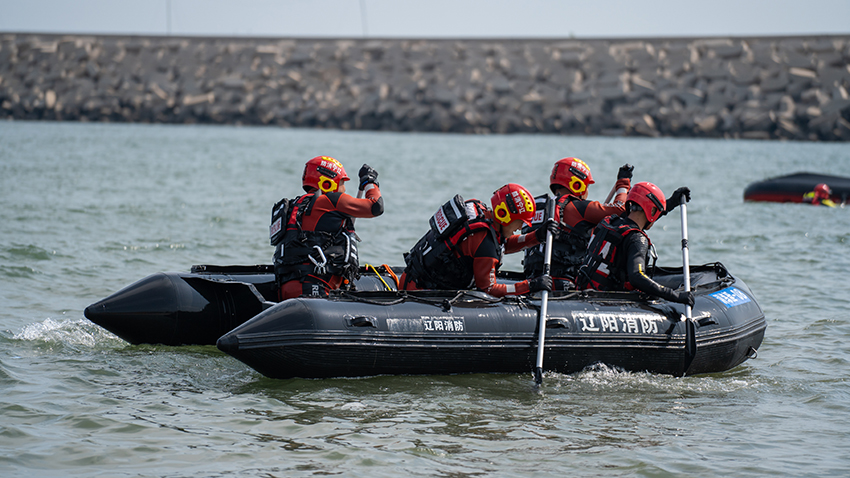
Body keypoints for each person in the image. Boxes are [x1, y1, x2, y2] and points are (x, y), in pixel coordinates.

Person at [400, 183, 554, 298]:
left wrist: (537, 236)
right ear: (504, 215)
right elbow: (488, 289)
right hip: (419, 294)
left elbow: (502, 245)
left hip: (412, 279)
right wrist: (530, 286)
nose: (520, 228)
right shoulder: (485, 243)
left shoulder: (480, 213)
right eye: (520, 222)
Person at [270, 156, 384, 300]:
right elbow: (376, 206)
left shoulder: (293, 207)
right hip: (315, 289)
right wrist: (370, 182)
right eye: (342, 183)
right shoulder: (331, 201)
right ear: (328, 183)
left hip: (286, 288)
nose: (344, 189)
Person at [576, 181, 694, 307]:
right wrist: (674, 295)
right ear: (652, 210)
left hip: (583, 292)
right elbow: (637, 276)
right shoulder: (637, 239)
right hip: (607, 302)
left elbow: (635, 223)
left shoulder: (609, 221)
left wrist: (670, 203)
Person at [523, 157, 633, 289]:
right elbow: (621, 210)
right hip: (563, 282)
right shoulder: (577, 208)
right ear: (577, 184)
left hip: (533, 280)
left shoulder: (536, 207)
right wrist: (623, 184)